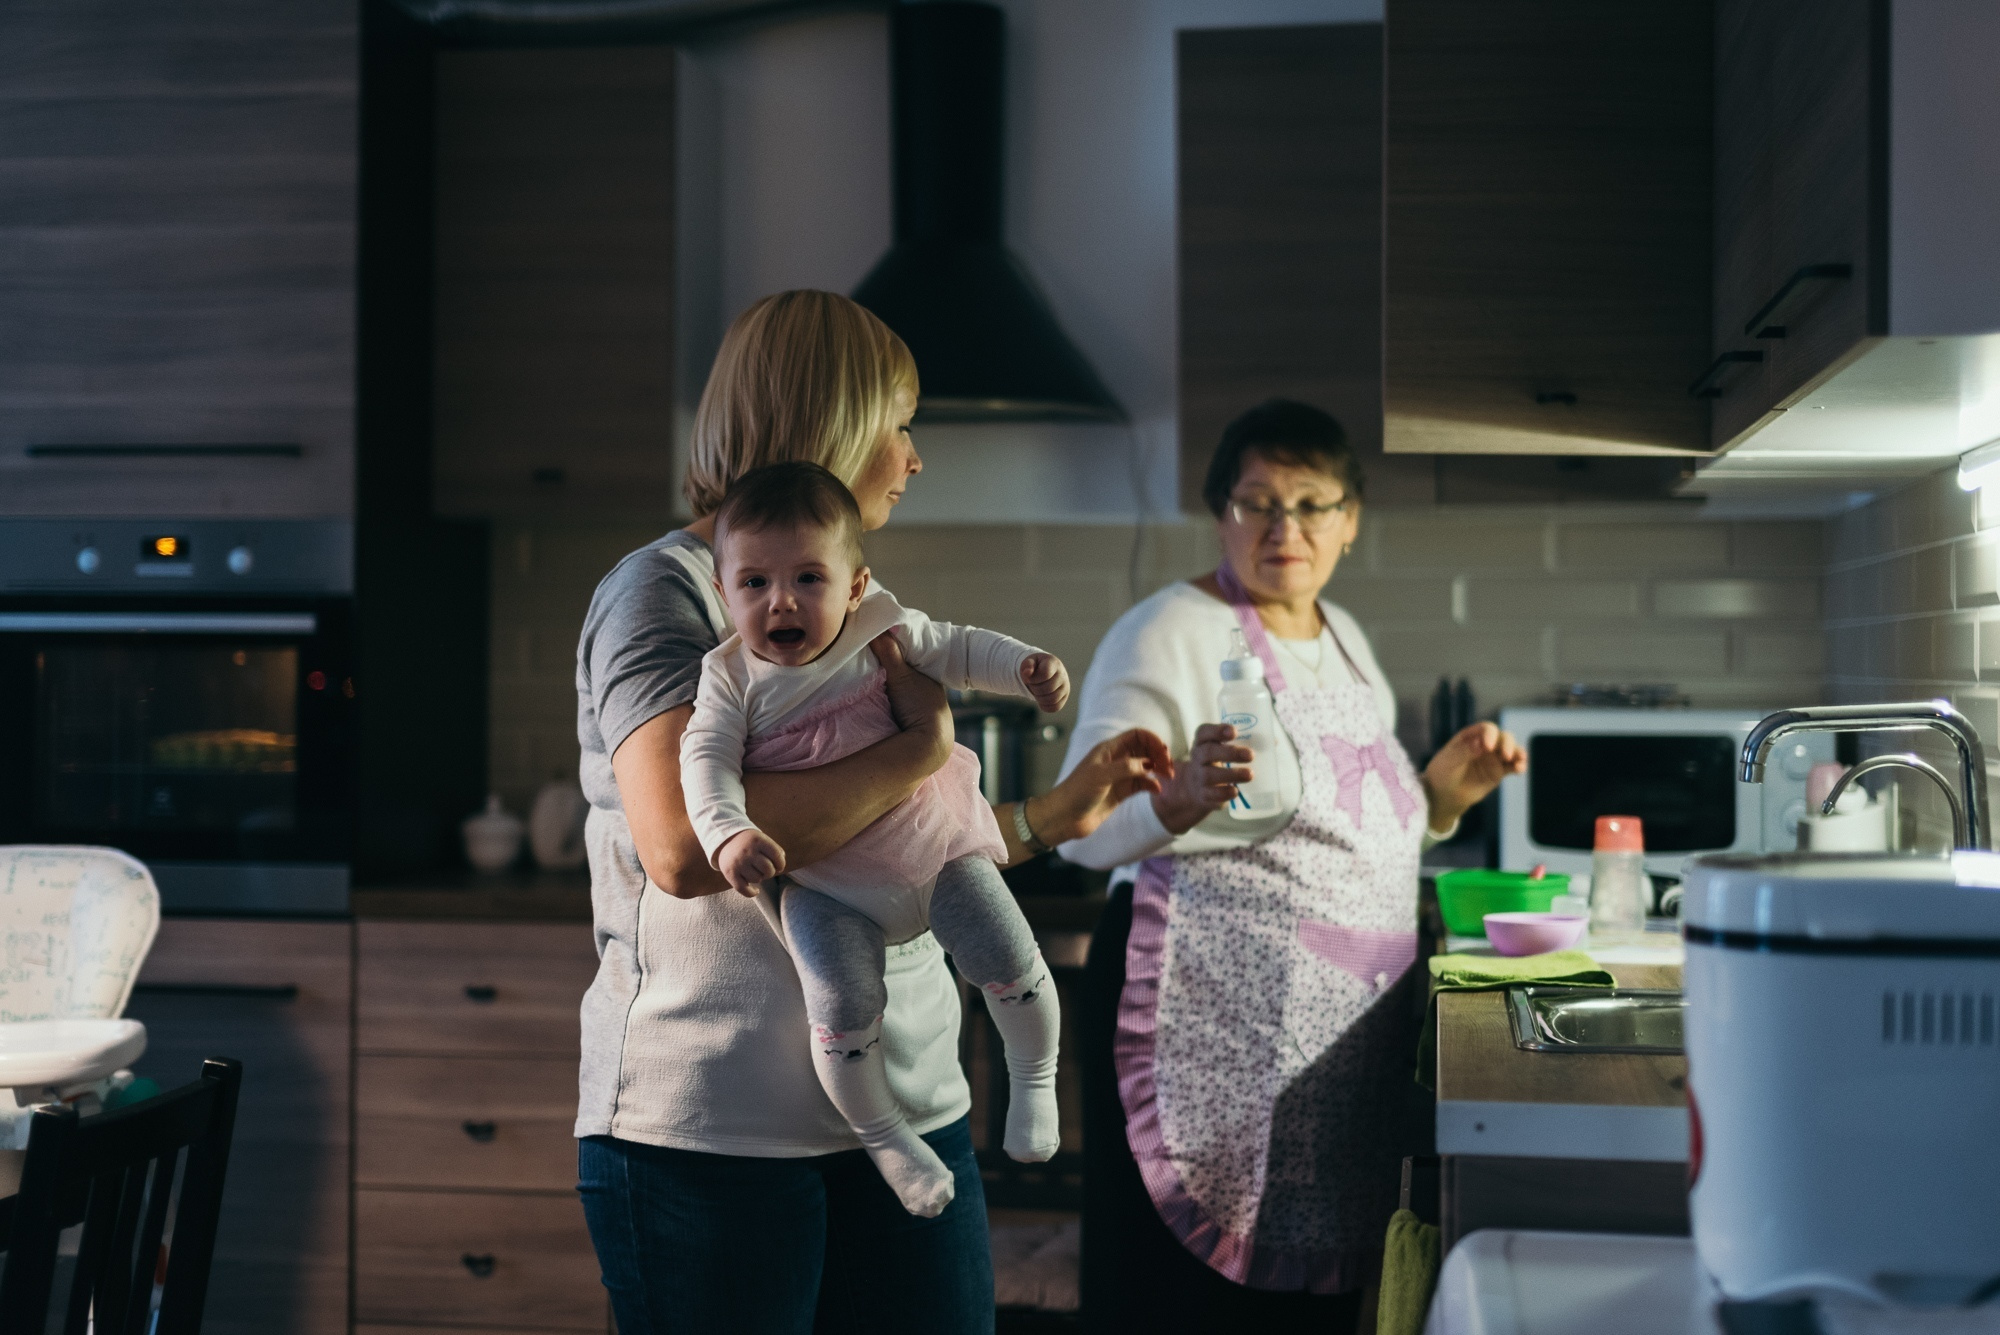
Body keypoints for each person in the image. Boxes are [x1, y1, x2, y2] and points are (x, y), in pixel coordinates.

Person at [573, 289, 1171, 1335]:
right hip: (710, 1136)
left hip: (912, 1111)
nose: (912, 455)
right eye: (899, 423)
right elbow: (678, 848)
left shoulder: (843, 598)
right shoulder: (666, 594)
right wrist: (919, 747)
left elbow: (896, 846)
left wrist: (1054, 818)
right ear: (836, 423)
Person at [1058, 399, 1525, 1334]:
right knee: (1185, 1302)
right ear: (1219, 510)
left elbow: (1340, 841)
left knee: (1296, 1306)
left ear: (1350, 520)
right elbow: (1082, 831)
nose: (1285, 529)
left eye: (1312, 504)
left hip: (1329, 1049)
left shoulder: (1344, 635)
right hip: (1207, 1019)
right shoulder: (1171, 632)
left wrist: (1442, 797)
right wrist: (1174, 799)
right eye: (1259, 502)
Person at [680, 461, 1070, 1217]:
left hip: (933, 848)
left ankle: (1034, 1078)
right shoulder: (727, 677)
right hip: (829, 887)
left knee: (1006, 949)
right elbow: (705, 763)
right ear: (725, 594)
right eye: (754, 583)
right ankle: (887, 1137)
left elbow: (956, 645)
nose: (780, 600)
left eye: (808, 578)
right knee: (840, 1004)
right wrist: (729, 837)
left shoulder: (880, 627)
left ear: (855, 587)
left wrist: (1022, 666)